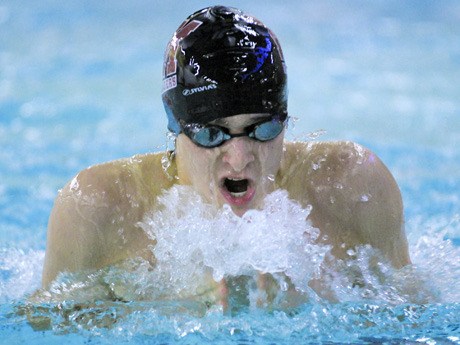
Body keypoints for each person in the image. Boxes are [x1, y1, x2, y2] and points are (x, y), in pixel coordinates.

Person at [41, 6, 411, 306]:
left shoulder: (354, 188)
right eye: (212, 133)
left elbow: (418, 316)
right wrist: (178, 308)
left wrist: (313, 301)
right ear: (176, 124)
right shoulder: (96, 207)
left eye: (262, 129)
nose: (239, 159)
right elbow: (42, 325)